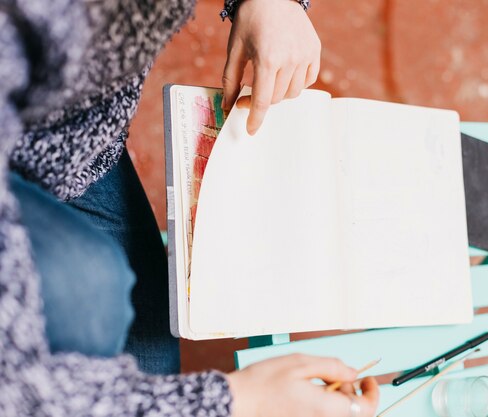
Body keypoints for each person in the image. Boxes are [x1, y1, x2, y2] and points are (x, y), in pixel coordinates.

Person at [0, 0, 379, 415]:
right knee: (94, 294)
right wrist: (237, 401)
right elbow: (15, 390)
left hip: (76, 133)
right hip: (23, 136)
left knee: (150, 342)